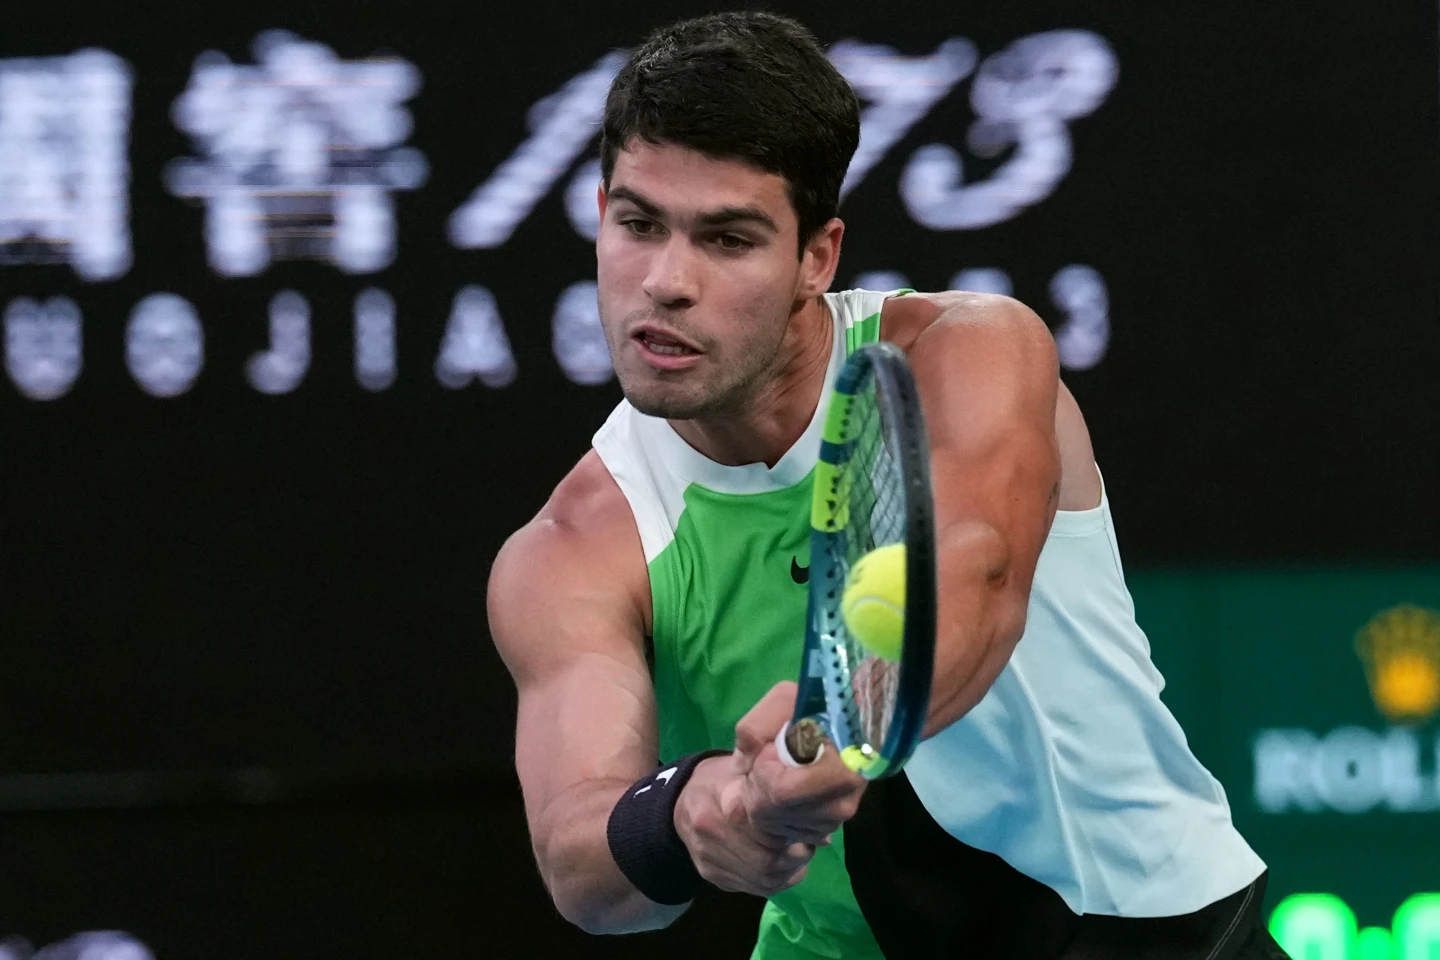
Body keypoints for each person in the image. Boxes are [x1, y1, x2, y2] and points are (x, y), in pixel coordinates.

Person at [488, 12, 1288, 959]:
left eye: (728, 239)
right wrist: (693, 812)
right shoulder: (572, 548)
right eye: (638, 224)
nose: (666, 280)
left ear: (815, 257)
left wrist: (834, 733)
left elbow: (977, 574)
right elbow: (577, 858)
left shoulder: (971, 351)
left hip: (1135, 930)